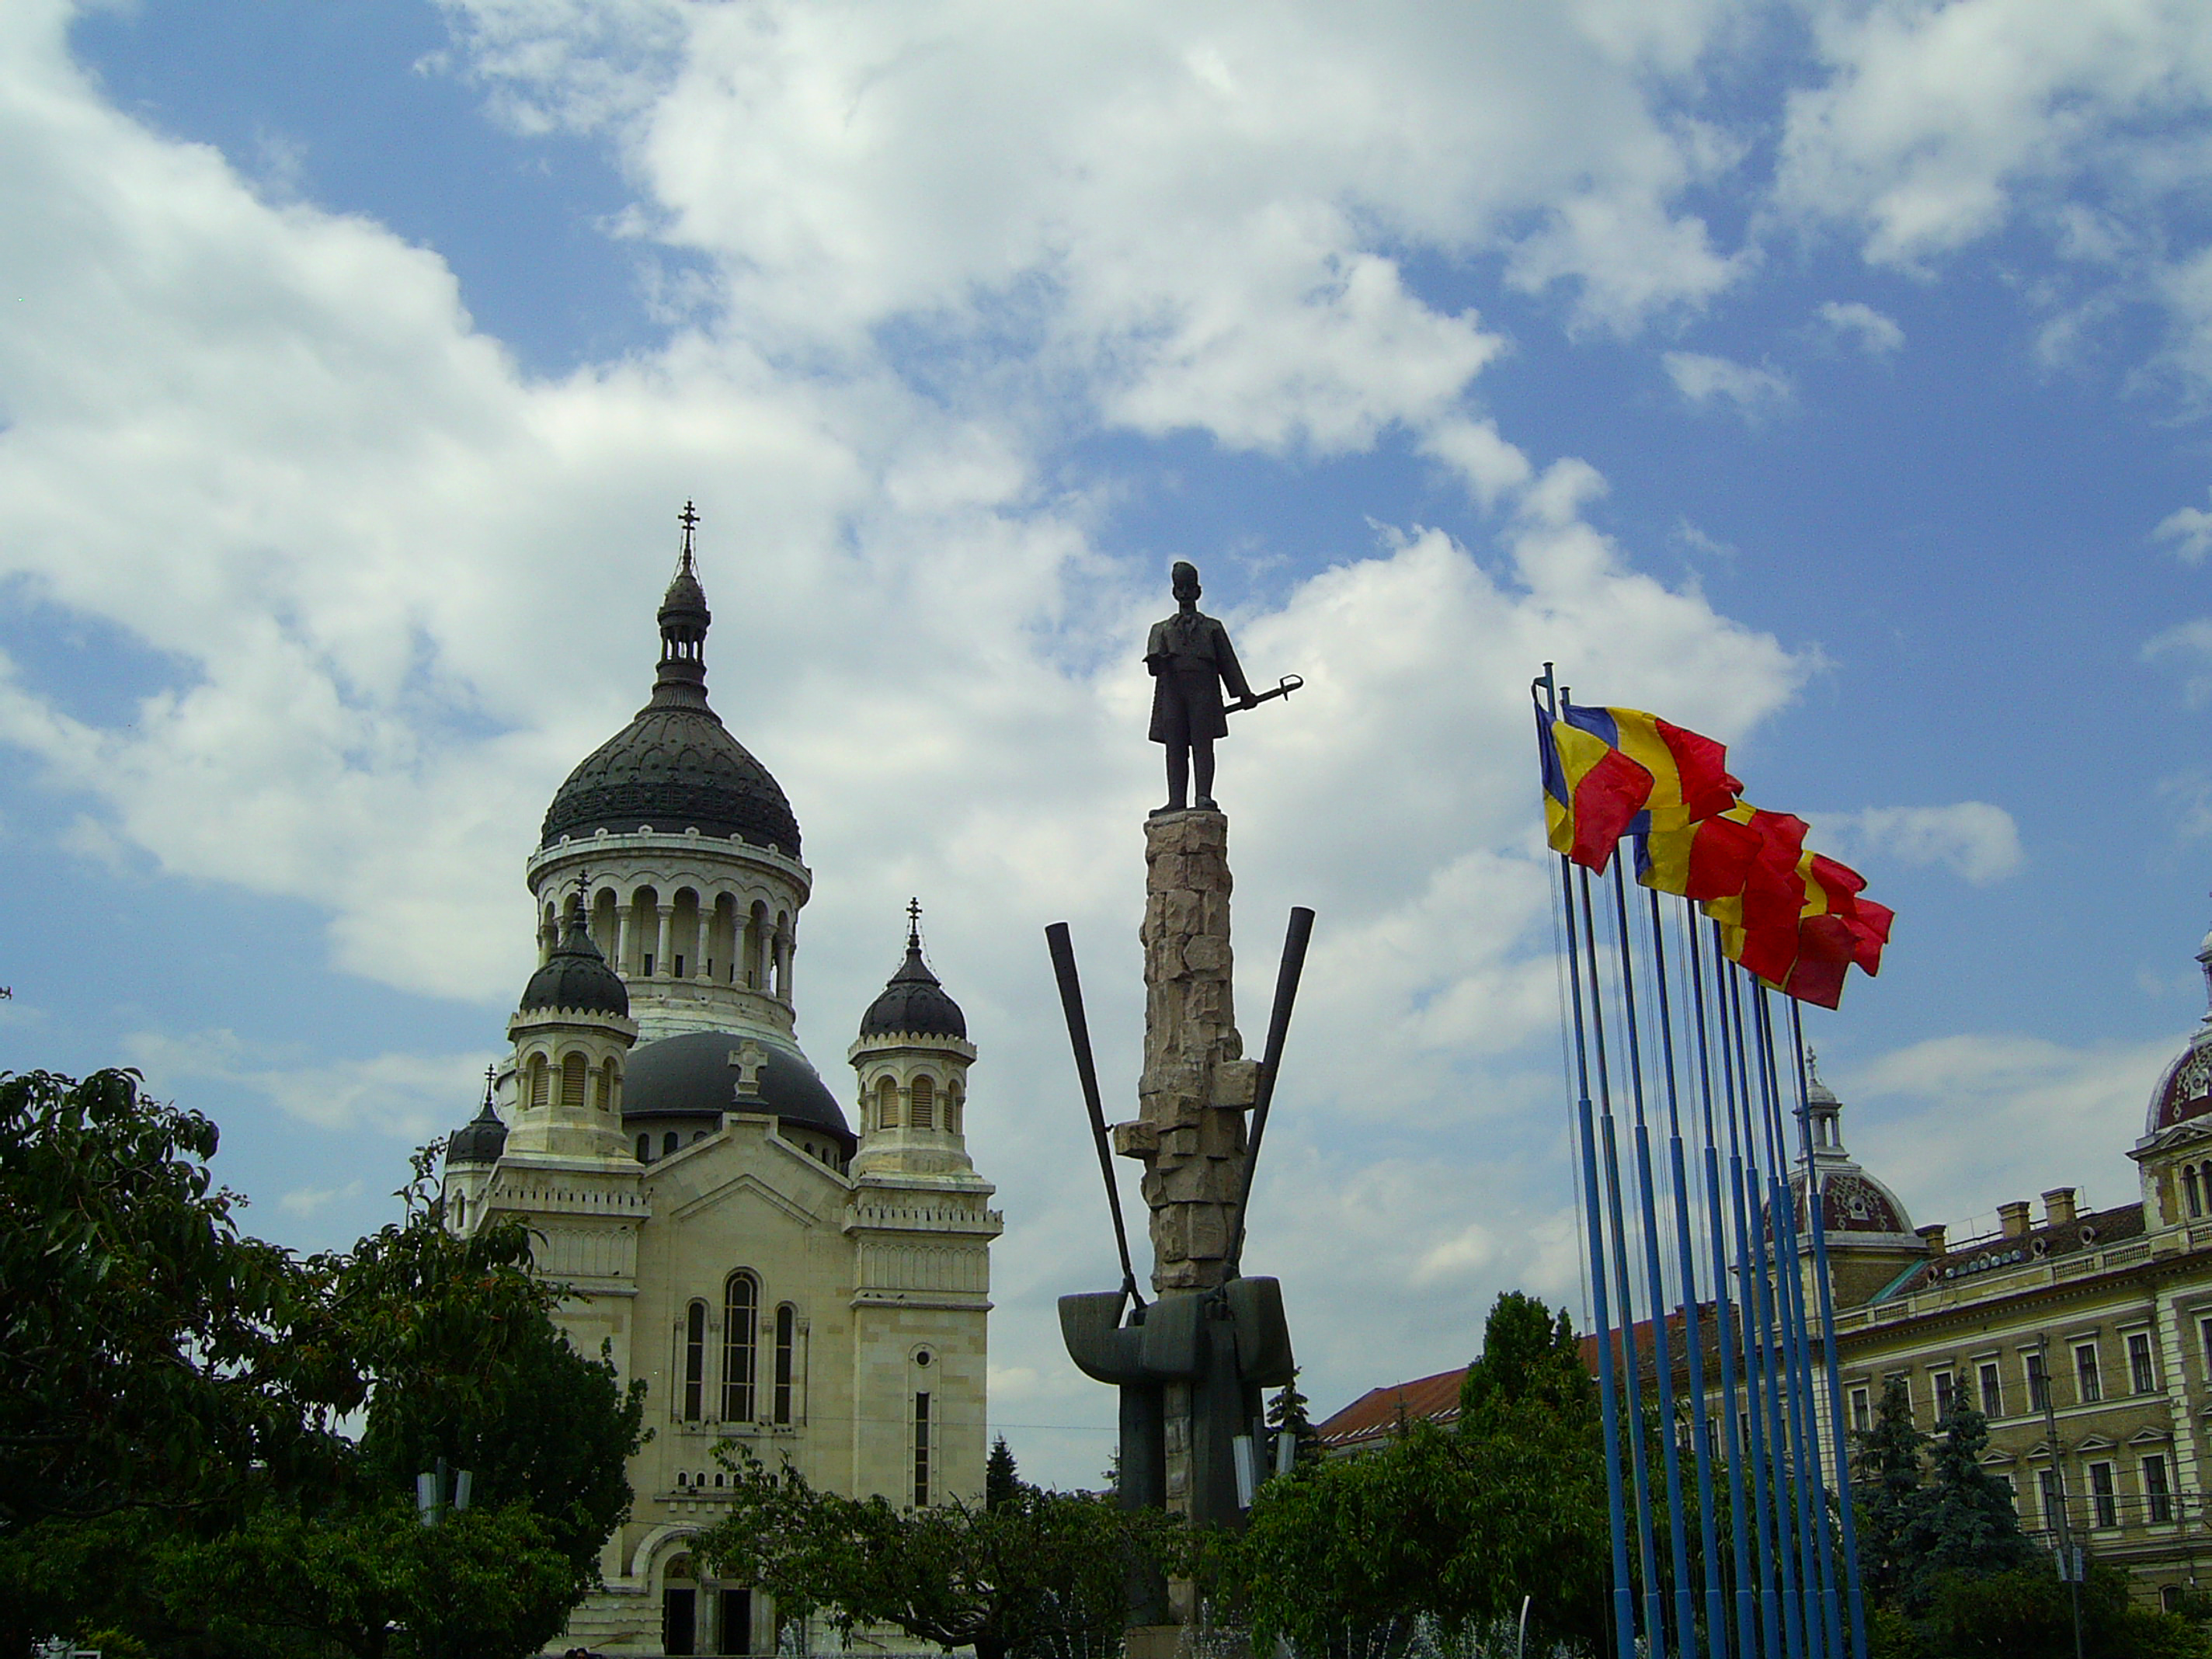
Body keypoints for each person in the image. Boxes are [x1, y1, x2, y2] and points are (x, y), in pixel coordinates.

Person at [1146, 561, 1256, 813]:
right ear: (1174, 593)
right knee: (1175, 748)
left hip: (1204, 692)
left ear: (1198, 591)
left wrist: (1243, 693)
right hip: (1172, 693)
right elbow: (1153, 666)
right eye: (1180, 588)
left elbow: (1228, 662)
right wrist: (1157, 661)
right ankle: (1176, 800)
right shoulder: (1160, 629)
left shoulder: (1212, 627)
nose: (1184, 593)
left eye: (1189, 588)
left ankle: (1203, 796)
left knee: (1202, 745)